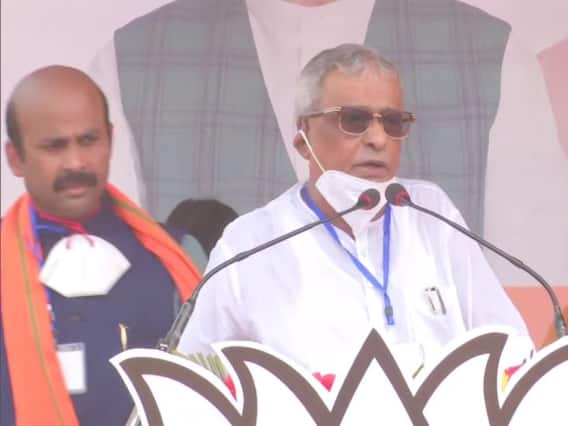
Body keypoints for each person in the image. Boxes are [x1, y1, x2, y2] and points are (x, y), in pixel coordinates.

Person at [178, 44, 530, 380]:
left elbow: (509, 351)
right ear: (303, 139)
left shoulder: (431, 213)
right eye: (354, 119)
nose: (378, 139)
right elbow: (196, 380)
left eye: (393, 122)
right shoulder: (251, 243)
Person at [0, 66, 201, 425]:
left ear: (109, 139)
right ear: (15, 158)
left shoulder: (179, 254)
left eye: (89, 140)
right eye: (54, 146)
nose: (75, 162)